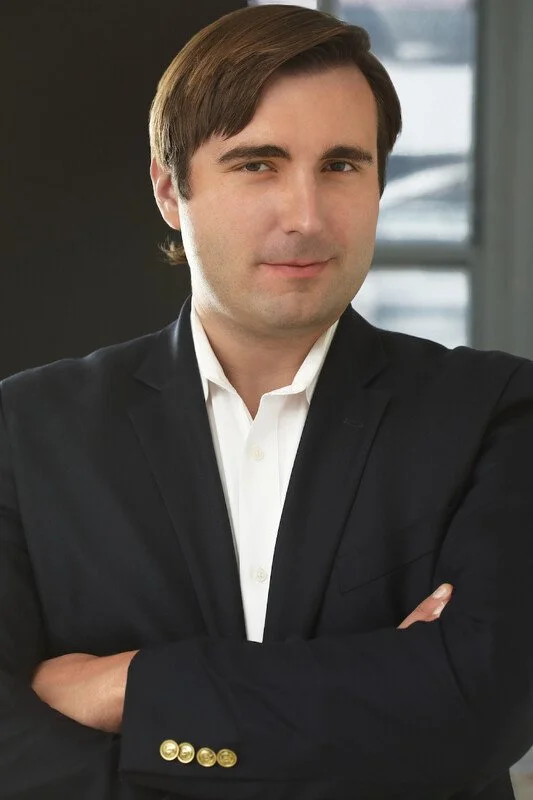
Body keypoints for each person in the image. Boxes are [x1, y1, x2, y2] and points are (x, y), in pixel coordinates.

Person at [0, 4, 532, 799]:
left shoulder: (495, 412)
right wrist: (378, 694)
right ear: (170, 190)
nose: (306, 217)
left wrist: (128, 687)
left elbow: (476, 715)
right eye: (257, 165)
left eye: (341, 165)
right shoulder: (24, 431)